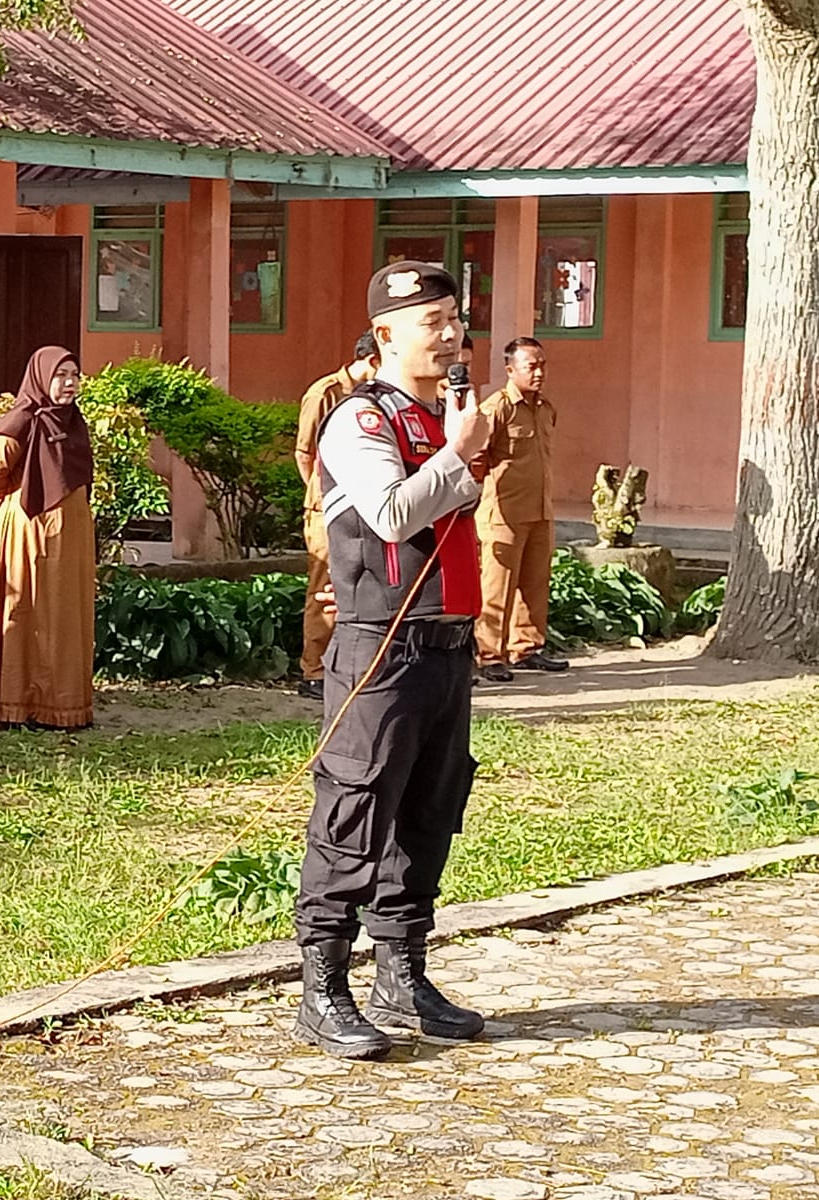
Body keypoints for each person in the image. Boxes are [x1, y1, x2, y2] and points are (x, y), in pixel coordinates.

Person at [295, 261, 489, 1060]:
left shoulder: (436, 417)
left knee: (429, 808)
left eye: (453, 320)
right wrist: (459, 455)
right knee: (355, 808)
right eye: (430, 324)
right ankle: (323, 985)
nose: (448, 336)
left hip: (446, 643)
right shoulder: (361, 420)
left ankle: (401, 973)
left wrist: (454, 449)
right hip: (382, 646)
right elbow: (387, 511)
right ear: (384, 334)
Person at [0, 346, 95, 730]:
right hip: (27, 527)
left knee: (65, 612)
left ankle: (62, 706)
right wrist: (15, 491)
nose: (70, 383)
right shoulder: (21, 420)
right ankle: (17, 702)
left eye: (74, 375)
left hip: (71, 532)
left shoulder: (74, 422)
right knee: (24, 607)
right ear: (42, 378)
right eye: (61, 376)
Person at [294, 331, 381, 702]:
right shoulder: (325, 393)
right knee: (323, 590)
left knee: (357, 587)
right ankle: (313, 670)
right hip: (326, 509)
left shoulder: (376, 397)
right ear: (373, 360)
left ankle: (347, 666)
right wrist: (323, 495)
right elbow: (304, 453)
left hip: (362, 506)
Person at [475, 337, 565, 682]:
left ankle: (526, 648)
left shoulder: (545, 408)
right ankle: (489, 655)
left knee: (534, 583)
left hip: (539, 511)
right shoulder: (496, 408)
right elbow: (477, 457)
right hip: (503, 514)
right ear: (510, 370)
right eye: (532, 366)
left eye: (542, 364)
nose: (539, 372)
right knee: (496, 588)